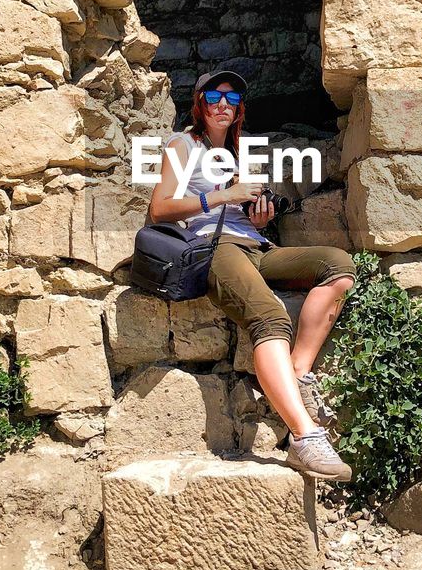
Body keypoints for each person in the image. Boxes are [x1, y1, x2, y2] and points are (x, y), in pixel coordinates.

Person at [148, 68, 356, 482]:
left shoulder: (241, 154)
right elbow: (159, 209)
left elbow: (249, 220)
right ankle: (304, 437)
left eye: (232, 99)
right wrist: (223, 195)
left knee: (339, 266)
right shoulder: (182, 145)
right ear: (200, 104)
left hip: (256, 246)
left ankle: (297, 372)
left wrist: (260, 217)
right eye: (214, 98)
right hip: (215, 247)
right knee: (270, 317)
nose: (224, 105)